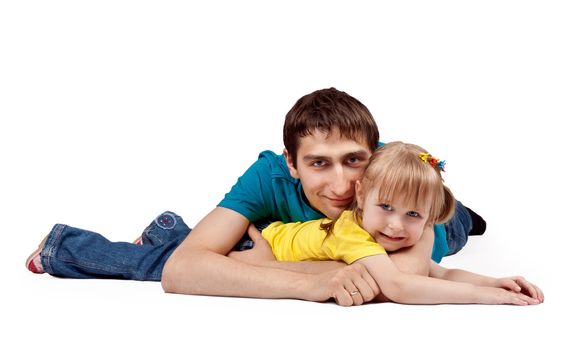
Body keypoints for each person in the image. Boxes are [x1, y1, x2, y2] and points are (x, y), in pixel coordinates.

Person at [26, 87, 484, 306]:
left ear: (375, 154)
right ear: (291, 163)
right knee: (205, 258)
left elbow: (395, 279)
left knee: (459, 220)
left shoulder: (399, 195)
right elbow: (183, 269)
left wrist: (262, 266)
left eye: (354, 160)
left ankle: (160, 233)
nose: (343, 185)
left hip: (451, 218)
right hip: (311, 240)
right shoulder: (268, 173)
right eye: (318, 164)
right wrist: (309, 283)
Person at [235, 141, 543, 305]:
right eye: (385, 207)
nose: (395, 226)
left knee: (454, 232)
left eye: (413, 215)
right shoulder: (352, 234)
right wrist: (488, 297)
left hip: (278, 237)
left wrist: (495, 282)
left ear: (428, 221)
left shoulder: (381, 233)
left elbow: (442, 273)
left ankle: (461, 216)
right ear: (361, 195)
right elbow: (399, 286)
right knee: (190, 244)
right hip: (260, 240)